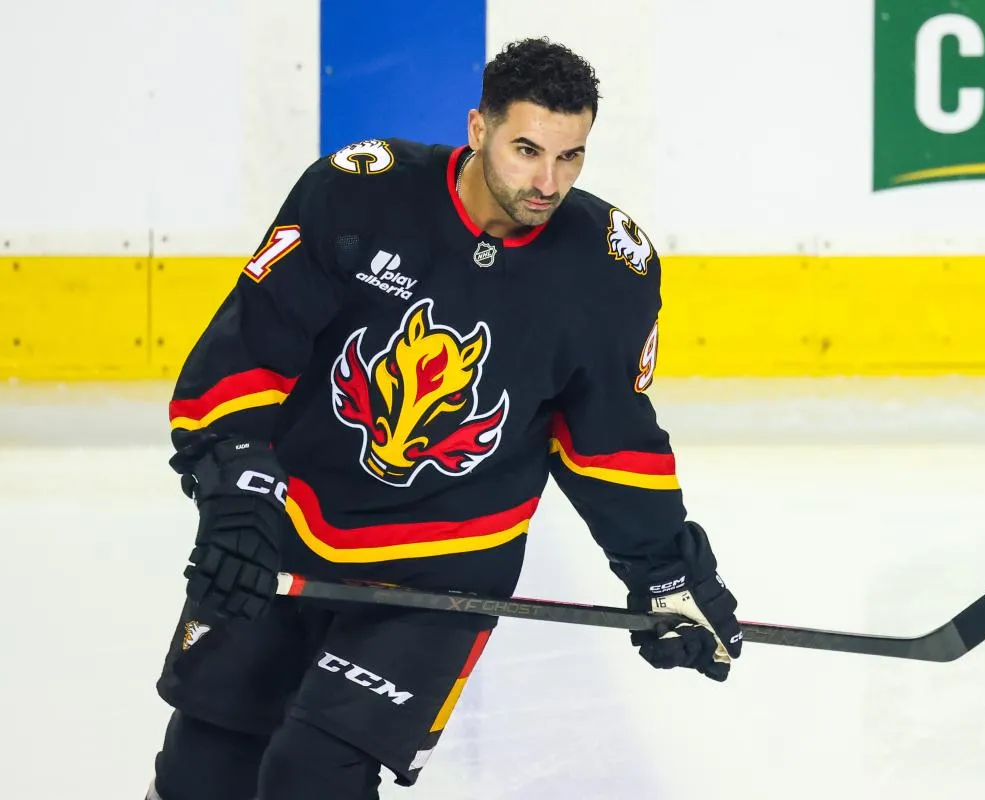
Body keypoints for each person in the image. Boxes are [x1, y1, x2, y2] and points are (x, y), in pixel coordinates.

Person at [146, 37, 743, 800]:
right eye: (527, 149)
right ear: (477, 127)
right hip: (290, 530)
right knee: (203, 772)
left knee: (311, 776)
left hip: (443, 570)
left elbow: (608, 441)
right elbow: (253, 346)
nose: (546, 181)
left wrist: (665, 571)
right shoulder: (359, 195)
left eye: (570, 157)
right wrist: (234, 486)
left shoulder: (604, 268)